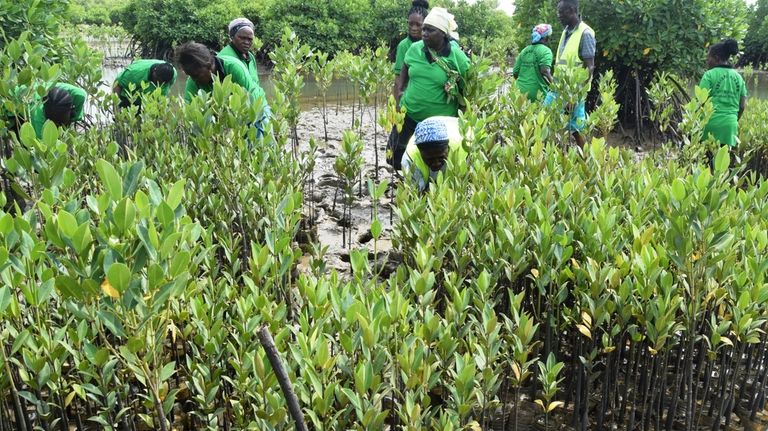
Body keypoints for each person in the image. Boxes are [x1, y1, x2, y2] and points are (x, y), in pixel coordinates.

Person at [392, 7, 470, 170]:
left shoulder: (458, 57)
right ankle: (408, 185)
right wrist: (400, 91)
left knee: (435, 161)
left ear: (442, 33)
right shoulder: (415, 49)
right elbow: (405, 66)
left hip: (440, 125)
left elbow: (467, 90)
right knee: (395, 156)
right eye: (424, 29)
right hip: (410, 116)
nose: (423, 33)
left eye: (429, 30)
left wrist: (460, 117)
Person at [176, 41, 269, 134]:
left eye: (197, 75)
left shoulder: (234, 68)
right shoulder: (193, 81)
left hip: (255, 109)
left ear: (209, 66)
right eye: (190, 75)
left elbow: (250, 102)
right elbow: (190, 113)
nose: (194, 79)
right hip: (225, 114)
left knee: (260, 141)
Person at [544, 0, 596, 148]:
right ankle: (546, 156)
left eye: (561, 13)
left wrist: (573, 97)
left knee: (576, 128)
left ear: (572, 10)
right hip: (558, 88)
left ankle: (584, 161)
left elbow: (589, 68)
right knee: (544, 118)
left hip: (575, 91)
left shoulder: (586, 33)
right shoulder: (565, 31)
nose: (558, 16)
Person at [699, 39, 747, 148]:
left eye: (708, 58)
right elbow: (742, 106)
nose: (707, 61)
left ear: (716, 58)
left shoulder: (709, 75)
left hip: (710, 125)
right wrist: (732, 120)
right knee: (722, 163)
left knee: (705, 162)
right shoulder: (739, 77)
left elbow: (700, 102)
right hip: (730, 127)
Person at [401, 116, 466, 192]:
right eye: (430, 159)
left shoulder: (465, 147)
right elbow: (415, 195)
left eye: (441, 157)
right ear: (419, 151)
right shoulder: (410, 159)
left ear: (448, 147)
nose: (436, 163)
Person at [10, 83, 87, 139]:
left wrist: (73, 118)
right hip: (10, 103)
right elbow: (41, 143)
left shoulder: (79, 95)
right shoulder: (37, 116)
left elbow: (82, 96)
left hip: (32, 88)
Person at [513, 24, 554, 101]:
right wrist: (555, 87)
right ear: (546, 37)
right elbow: (545, 71)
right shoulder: (546, 51)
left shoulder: (524, 51)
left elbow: (515, 72)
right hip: (536, 95)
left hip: (518, 93)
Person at [219, 18, 262, 86]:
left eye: (250, 39)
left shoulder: (250, 56)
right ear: (232, 37)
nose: (246, 42)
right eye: (242, 38)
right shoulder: (224, 58)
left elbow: (256, 82)